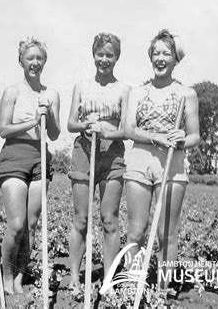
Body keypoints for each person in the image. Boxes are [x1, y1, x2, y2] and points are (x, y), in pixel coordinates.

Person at [123, 29, 200, 289]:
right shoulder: (136, 91)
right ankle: (133, 287)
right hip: (139, 162)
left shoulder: (186, 94)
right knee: (136, 230)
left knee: (166, 233)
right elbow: (129, 129)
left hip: (172, 164)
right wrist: (158, 137)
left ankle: (162, 291)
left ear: (176, 59)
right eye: (156, 53)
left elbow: (195, 137)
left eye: (166, 53)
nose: (160, 58)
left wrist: (180, 139)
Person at [66, 33, 130, 293]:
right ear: (93, 55)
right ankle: (73, 276)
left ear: (117, 57)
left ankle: (108, 280)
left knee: (109, 219)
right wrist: (86, 126)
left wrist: (107, 131)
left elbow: (127, 129)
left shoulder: (124, 90)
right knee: (81, 219)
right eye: (100, 54)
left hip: (112, 153)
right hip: (84, 150)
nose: (104, 59)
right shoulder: (81, 86)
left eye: (109, 55)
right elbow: (71, 123)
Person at [0, 37, 60, 295]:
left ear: (45, 61)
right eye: (30, 58)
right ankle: (7, 275)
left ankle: (20, 277)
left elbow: (54, 134)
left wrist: (49, 115)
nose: (35, 62)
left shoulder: (51, 94)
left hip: (40, 157)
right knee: (16, 224)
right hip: (14, 155)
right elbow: (3, 129)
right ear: (21, 60)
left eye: (39, 58)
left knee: (32, 225)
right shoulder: (12, 92)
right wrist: (33, 121)